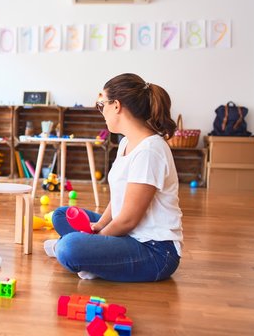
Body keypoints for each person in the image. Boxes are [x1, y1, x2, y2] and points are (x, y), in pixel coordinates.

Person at [45, 73, 183, 282]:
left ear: (116, 106)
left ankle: (92, 259)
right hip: (128, 234)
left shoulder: (149, 151)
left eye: (102, 105)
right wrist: (99, 225)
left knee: (68, 247)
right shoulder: (127, 143)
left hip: (155, 251)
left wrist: (97, 239)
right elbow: (120, 198)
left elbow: (128, 219)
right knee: (62, 215)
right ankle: (98, 259)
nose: (102, 112)